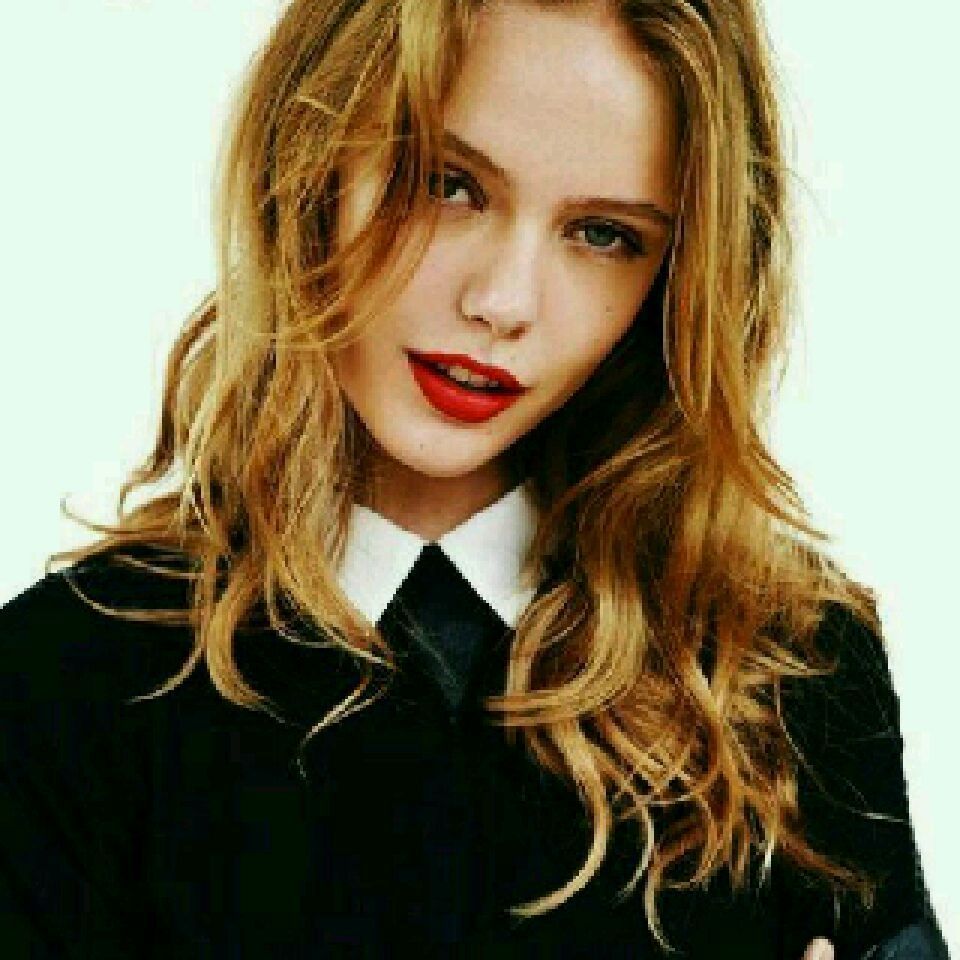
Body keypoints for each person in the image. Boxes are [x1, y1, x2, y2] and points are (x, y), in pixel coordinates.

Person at [0, 0, 948, 957]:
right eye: (447, 185)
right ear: (311, 162)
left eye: (604, 235)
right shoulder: (59, 683)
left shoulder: (788, 669)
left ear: (676, 278)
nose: (502, 302)